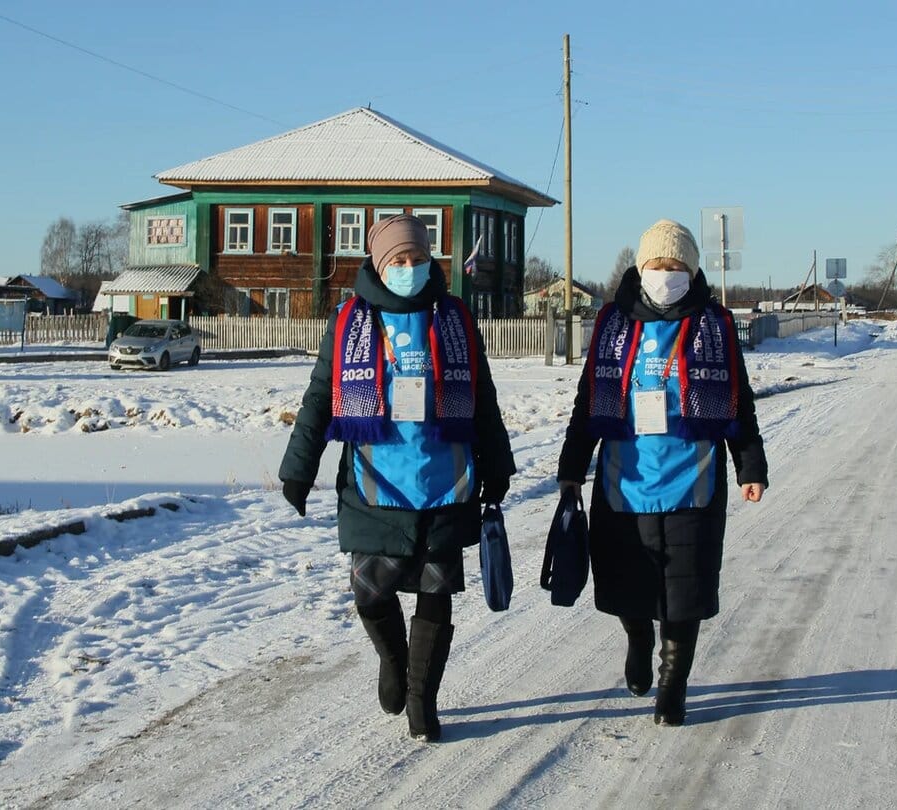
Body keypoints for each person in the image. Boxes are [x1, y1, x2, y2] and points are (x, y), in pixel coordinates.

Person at [279, 214, 515, 742]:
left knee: (435, 594)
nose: (409, 267)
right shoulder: (349, 320)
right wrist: (298, 469)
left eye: (417, 258)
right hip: (374, 482)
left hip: (443, 480)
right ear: (380, 265)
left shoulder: (453, 318)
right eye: (399, 260)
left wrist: (497, 464)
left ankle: (421, 700)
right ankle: (393, 659)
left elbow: (483, 398)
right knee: (370, 594)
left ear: (430, 260)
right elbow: (319, 398)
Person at [556, 219, 768, 727]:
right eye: (657, 264)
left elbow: (738, 403)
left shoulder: (714, 325)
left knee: (684, 595)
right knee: (627, 585)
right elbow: (588, 403)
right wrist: (571, 469)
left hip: (693, 481)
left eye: (676, 266)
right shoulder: (612, 324)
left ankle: (673, 686)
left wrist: (750, 466)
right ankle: (637, 639)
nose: (666, 274)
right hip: (623, 483)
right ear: (641, 268)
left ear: (691, 272)